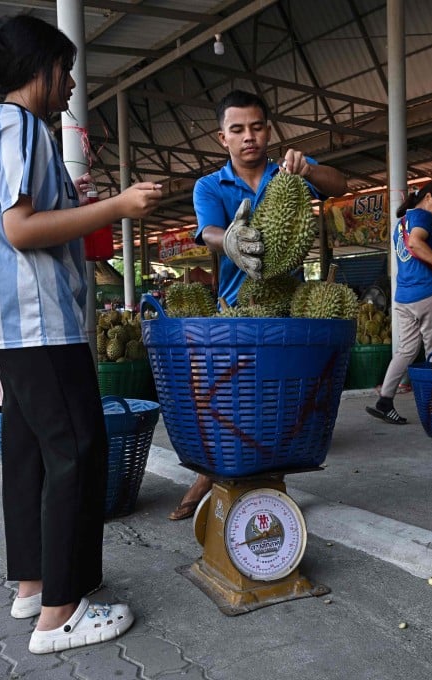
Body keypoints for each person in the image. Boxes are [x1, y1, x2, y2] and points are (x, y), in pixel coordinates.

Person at [0, 14, 162, 654]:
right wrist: (119, 206)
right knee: (77, 447)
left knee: (28, 450)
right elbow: (21, 229)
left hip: (5, 322)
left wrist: (80, 208)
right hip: (36, 320)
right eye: (65, 70)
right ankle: (61, 615)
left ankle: (33, 585)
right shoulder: (20, 126)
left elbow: (32, 219)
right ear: (38, 71)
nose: (71, 83)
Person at [162, 90, 348, 521]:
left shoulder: (288, 174)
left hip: (292, 306)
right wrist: (226, 238)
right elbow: (207, 228)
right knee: (231, 404)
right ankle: (211, 475)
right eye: (238, 129)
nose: (250, 137)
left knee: (279, 404)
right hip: (234, 310)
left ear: (269, 129)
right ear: (222, 137)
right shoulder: (210, 185)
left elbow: (341, 185)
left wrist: (311, 172)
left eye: (257, 127)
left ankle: (269, 490)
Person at [367, 181, 432, 425]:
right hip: (427, 294)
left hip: (403, 298)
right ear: (428, 197)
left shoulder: (401, 223)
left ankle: (384, 401)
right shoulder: (422, 216)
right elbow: (416, 243)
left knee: (406, 351)